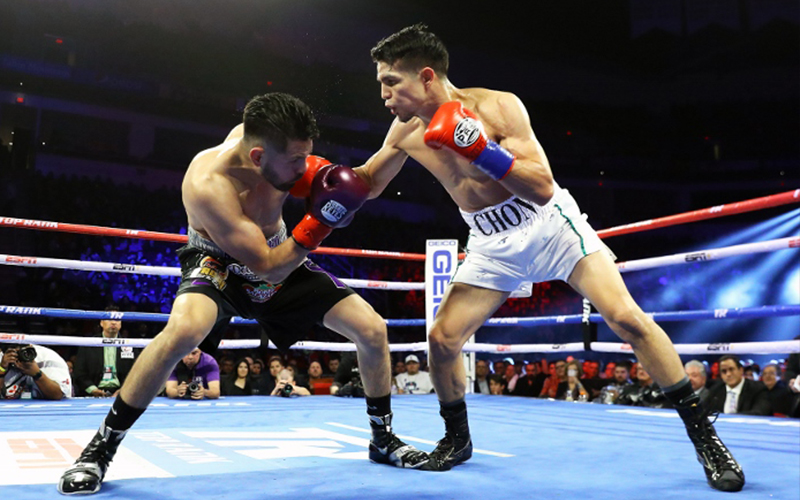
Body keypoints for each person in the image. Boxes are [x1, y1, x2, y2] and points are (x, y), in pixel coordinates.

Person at [358, 24, 744, 490]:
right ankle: (457, 439)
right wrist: (321, 182)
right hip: (490, 242)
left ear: (425, 77)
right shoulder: (403, 131)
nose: (383, 94)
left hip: (550, 226)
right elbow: (368, 182)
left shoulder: (498, 107)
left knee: (627, 319)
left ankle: (705, 437)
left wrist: (479, 149)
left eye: (390, 81)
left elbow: (541, 187)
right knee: (441, 339)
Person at [58, 93, 427, 496]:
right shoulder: (208, 184)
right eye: (296, 160)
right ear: (257, 157)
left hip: (280, 251)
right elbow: (267, 267)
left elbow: (364, 183)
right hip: (218, 262)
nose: (303, 168)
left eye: (306, 156)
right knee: (183, 331)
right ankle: (100, 448)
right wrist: (321, 221)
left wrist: (402, 139)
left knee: (372, 329)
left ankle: (382, 438)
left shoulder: (281, 154)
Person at [73, 305, 140, 398]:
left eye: (117, 320)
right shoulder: (88, 344)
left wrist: (124, 390)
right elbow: (79, 373)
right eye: (109, 319)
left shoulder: (130, 345)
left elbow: (137, 373)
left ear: (121, 323)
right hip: (93, 392)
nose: (113, 322)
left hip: (123, 393)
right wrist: (93, 390)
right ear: (101, 323)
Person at [1, 343, 72, 400]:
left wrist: (37, 374)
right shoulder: (2, 360)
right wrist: (2, 369)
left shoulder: (49, 358)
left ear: (30, 346)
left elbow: (58, 395)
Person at [706, 355, 771, 416]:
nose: (728, 374)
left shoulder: (758, 389)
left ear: (741, 370)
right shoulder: (715, 390)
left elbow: (759, 413)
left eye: (731, 369)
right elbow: (704, 411)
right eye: (724, 371)